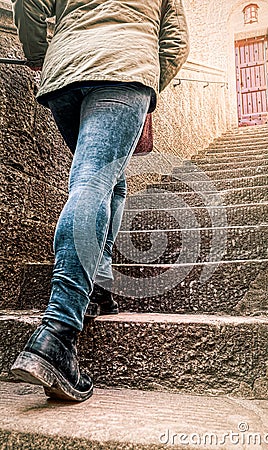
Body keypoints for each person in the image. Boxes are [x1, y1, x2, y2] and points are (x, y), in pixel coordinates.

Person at [10, 0, 190, 402]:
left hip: (66, 74)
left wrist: (43, 56)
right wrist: (148, 81)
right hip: (125, 68)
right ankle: (57, 333)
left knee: (110, 180)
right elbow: (176, 41)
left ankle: (99, 282)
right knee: (93, 180)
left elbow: (27, 4)